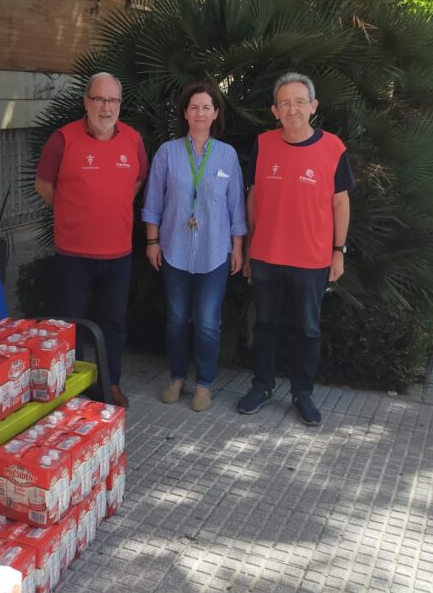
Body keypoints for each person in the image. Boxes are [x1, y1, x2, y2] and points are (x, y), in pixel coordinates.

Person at [238, 72, 355, 426]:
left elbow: (341, 204)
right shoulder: (263, 144)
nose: (293, 109)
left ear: (313, 106)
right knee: (266, 325)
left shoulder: (333, 148)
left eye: (300, 102)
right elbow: (254, 198)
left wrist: (339, 251)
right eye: (285, 103)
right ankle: (262, 385)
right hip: (266, 255)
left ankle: (302, 393)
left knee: (308, 328)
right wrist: (247, 249)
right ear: (275, 110)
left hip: (312, 257)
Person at [34, 72, 148, 408]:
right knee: (71, 323)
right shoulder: (63, 139)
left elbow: (138, 180)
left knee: (113, 322)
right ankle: (70, 387)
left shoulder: (133, 140)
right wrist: (75, 210)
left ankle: (110, 384)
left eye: (113, 100)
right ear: (86, 102)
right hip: (74, 253)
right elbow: (45, 187)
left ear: (119, 105)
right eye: (99, 99)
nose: (106, 107)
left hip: (118, 253)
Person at [141, 82, 247, 412]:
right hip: (173, 249)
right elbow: (153, 201)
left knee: (207, 322)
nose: (200, 113)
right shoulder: (167, 152)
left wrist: (238, 247)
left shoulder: (227, 155)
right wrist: (152, 241)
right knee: (176, 318)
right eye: (194, 107)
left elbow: (236, 206)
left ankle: (204, 384)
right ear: (185, 113)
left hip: (215, 252)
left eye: (207, 107)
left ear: (216, 113)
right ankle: (176, 378)